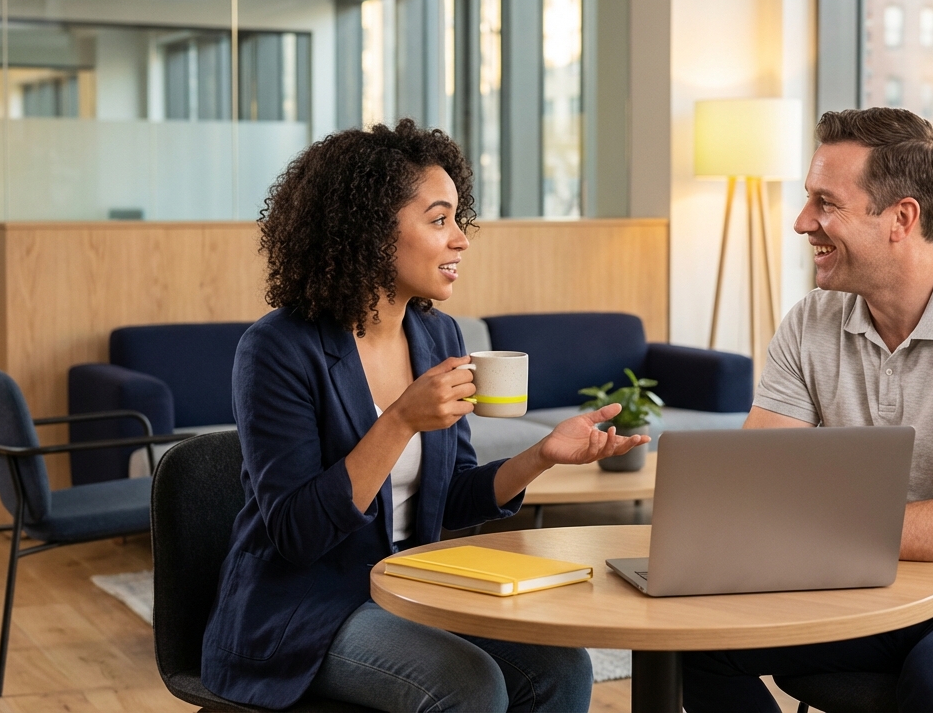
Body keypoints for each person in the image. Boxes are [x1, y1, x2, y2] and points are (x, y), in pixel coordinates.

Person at [200, 119, 649, 712]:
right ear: (369, 233)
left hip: (414, 588)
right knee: (466, 683)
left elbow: (450, 497)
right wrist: (399, 421)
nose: (461, 239)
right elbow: (297, 532)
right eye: (439, 221)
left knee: (561, 667)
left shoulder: (436, 336)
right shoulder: (278, 349)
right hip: (304, 608)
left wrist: (540, 457)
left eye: (457, 220)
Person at [682, 108, 933, 712]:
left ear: (902, 218)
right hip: (875, 584)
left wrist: (798, 531)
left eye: (826, 203)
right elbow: (753, 489)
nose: (802, 223)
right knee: (699, 643)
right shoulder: (811, 323)